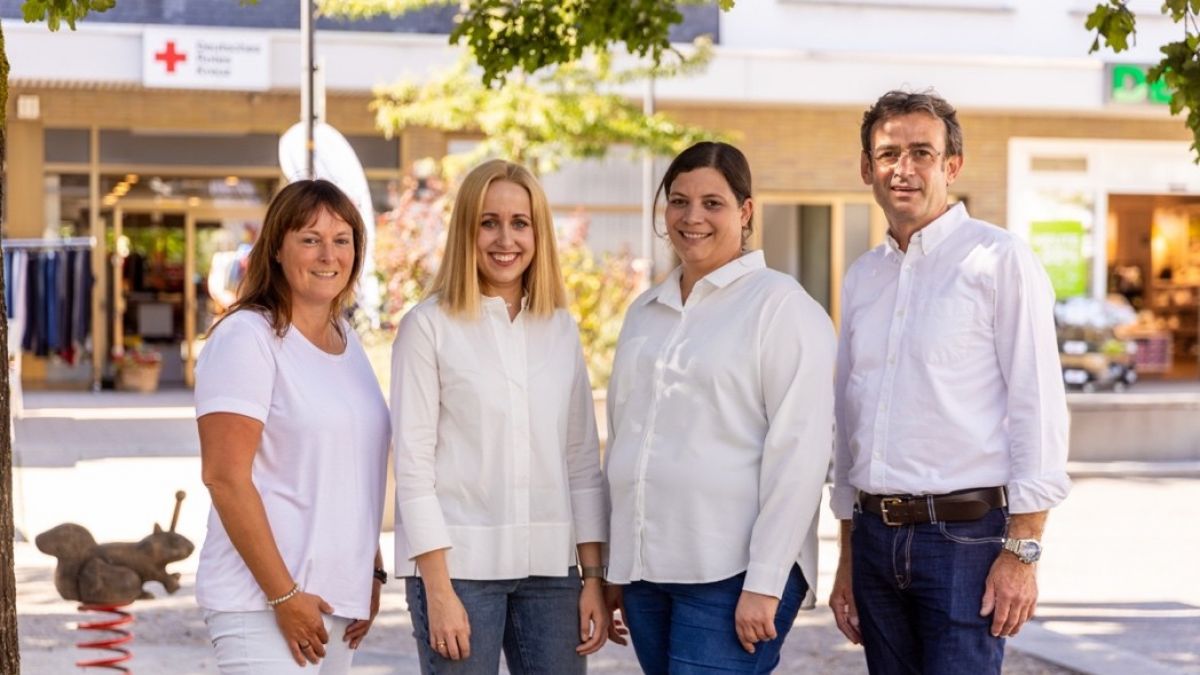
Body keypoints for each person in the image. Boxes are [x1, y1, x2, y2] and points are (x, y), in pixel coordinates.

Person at [828, 90, 1071, 674]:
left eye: (921, 152)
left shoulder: (999, 259)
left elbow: (1038, 407)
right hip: (874, 541)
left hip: (965, 542)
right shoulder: (862, 278)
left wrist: (1023, 552)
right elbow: (849, 421)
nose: (902, 169)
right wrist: (846, 556)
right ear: (867, 167)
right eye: (887, 154)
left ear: (951, 165)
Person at [603, 141, 837, 673]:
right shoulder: (645, 311)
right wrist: (615, 565)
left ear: (745, 211)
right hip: (647, 573)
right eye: (678, 201)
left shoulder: (782, 308)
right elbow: (623, 436)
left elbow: (800, 455)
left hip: (732, 574)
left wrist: (765, 581)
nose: (692, 217)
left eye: (712, 203)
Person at [390, 159, 609, 673]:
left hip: (553, 572)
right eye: (488, 222)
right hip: (458, 572)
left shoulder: (560, 328)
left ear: (539, 234)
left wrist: (593, 576)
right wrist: (437, 591)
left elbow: (581, 460)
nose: (504, 239)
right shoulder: (428, 328)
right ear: (467, 229)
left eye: (520, 223)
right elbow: (414, 469)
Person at [194, 179, 390, 674]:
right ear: (277, 249)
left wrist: (373, 569)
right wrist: (285, 596)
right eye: (310, 239)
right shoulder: (247, 337)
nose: (328, 254)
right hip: (262, 604)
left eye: (341, 239)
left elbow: (352, 465)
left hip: (336, 606)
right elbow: (225, 477)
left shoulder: (347, 340)